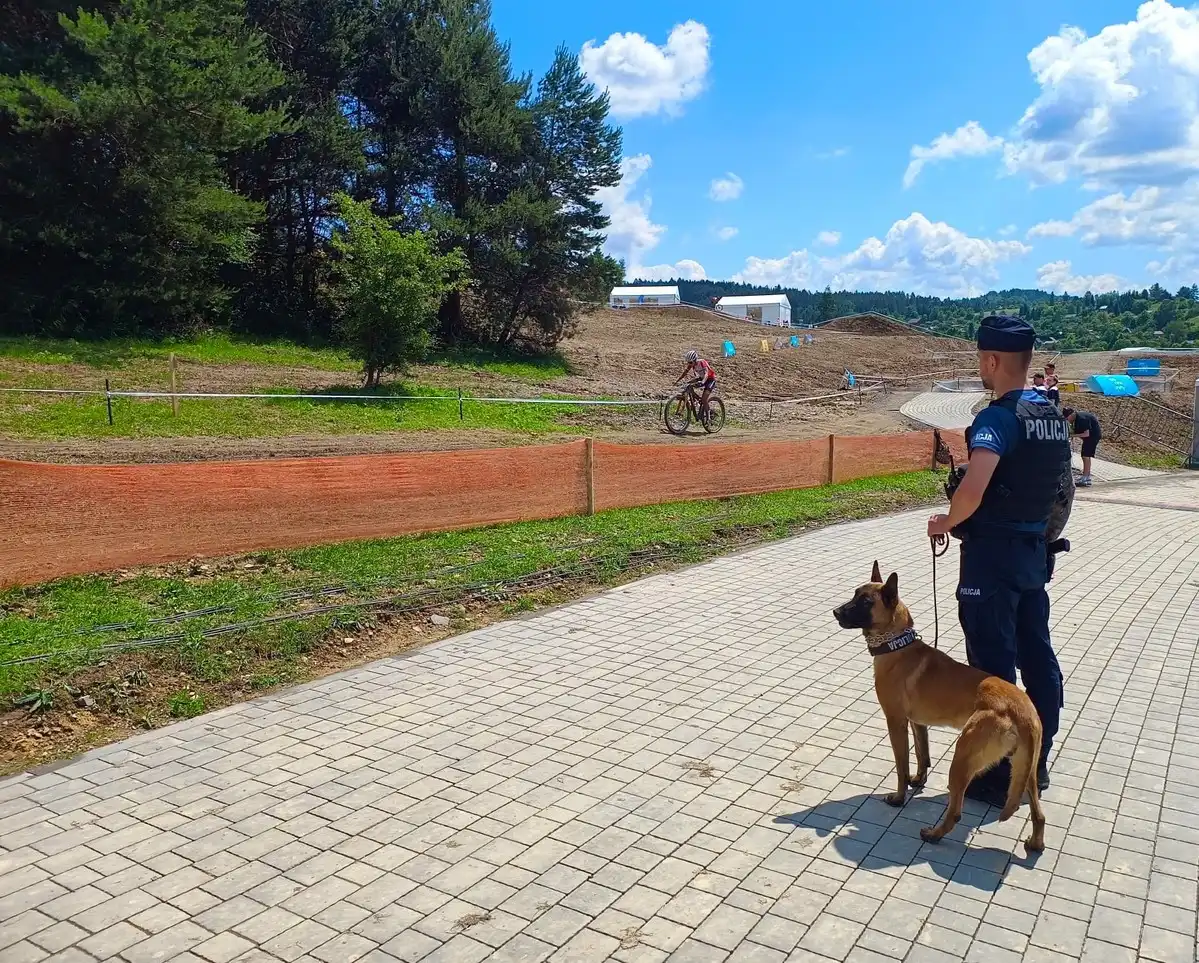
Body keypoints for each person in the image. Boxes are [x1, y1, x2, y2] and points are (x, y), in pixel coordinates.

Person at [926, 315, 1070, 806]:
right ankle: (1036, 763)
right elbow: (1061, 490)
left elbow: (974, 488)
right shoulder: (1050, 415)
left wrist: (946, 521)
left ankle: (994, 774)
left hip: (992, 560)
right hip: (1035, 554)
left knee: (991, 670)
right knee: (1039, 660)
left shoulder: (996, 419)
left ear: (991, 360)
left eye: (980, 361)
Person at [1062, 407, 1101, 487]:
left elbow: (1086, 434)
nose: (1067, 420)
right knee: (1085, 456)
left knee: (1085, 456)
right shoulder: (1076, 419)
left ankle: (1085, 477)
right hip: (1089, 437)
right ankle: (1087, 476)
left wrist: (1072, 435)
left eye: (1067, 418)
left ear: (1071, 415)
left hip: (1093, 436)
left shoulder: (1082, 419)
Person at [677, 349, 717, 423]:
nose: (689, 364)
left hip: (710, 380)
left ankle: (708, 419)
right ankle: (696, 401)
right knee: (689, 385)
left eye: (690, 362)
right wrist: (678, 380)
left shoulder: (702, 362)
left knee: (704, 399)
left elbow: (706, 374)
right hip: (701, 378)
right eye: (688, 362)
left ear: (695, 360)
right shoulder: (691, 364)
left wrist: (702, 382)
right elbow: (685, 373)